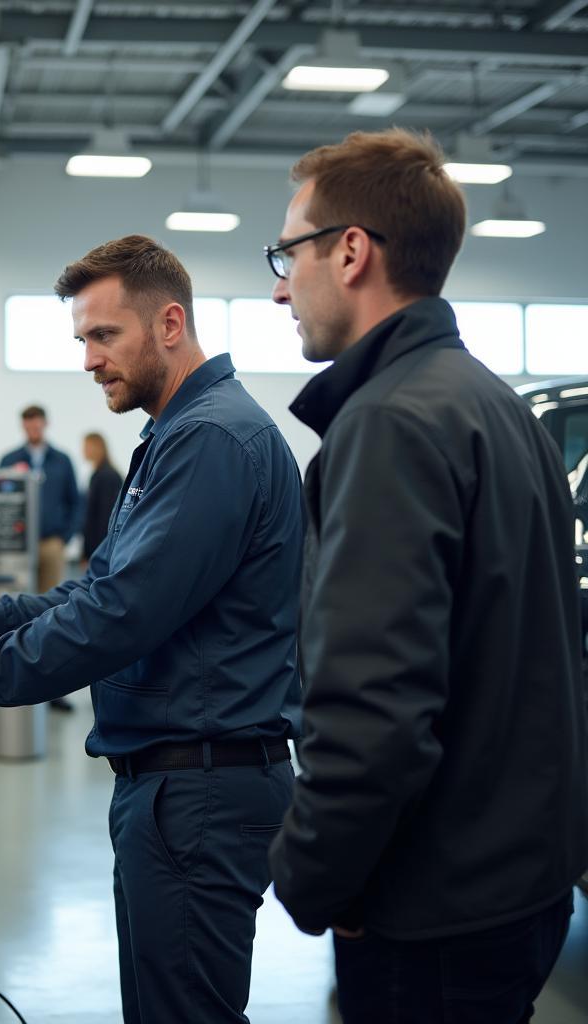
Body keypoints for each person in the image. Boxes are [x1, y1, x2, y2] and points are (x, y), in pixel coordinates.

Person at [0, 235, 304, 1023]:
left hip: (200, 788)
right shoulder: (175, 435)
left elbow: (117, 619)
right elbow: (103, 588)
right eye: (81, 339)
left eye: (103, 335)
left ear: (169, 323)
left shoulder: (212, 441)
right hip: (176, 784)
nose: (88, 360)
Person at [263, 128, 588, 1024]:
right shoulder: (495, 405)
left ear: (353, 251)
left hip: (429, 906)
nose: (283, 286)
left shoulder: (389, 424)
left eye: (288, 252)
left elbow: (374, 705)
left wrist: (312, 875)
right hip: (519, 886)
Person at [0, 405, 80, 592]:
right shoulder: (9, 460)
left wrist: (65, 537)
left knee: (50, 599)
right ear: (23, 426)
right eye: (29, 424)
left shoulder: (62, 460)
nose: (33, 428)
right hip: (17, 546)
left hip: (51, 543)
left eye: (37, 424)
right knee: (16, 597)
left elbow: (75, 501)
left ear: (45, 424)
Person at [80, 431, 123, 565]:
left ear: (97, 448)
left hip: (102, 552)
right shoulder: (99, 475)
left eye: (87, 446)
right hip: (99, 550)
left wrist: (92, 554)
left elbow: (105, 519)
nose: (83, 451)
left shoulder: (106, 476)